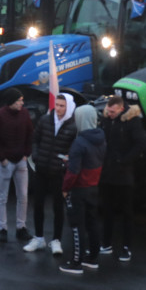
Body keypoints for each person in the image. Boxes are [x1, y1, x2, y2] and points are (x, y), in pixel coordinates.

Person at [24, 93, 77, 255]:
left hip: (58, 172)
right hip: (41, 169)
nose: (59, 109)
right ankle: (39, 238)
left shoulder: (73, 126)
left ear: (68, 107)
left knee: (57, 207)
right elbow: (35, 139)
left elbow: (73, 150)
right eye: (57, 105)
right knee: (38, 204)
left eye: (62, 106)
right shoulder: (45, 120)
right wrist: (37, 156)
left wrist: (64, 163)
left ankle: (56, 240)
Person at [59, 105, 106, 275]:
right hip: (93, 186)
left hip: (78, 189)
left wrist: (65, 188)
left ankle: (76, 262)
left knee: (76, 225)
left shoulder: (79, 142)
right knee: (92, 222)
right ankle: (92, 258)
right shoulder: (101, 138)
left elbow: (73, 171)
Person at [98, 95, 146, 261]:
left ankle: (126, 247)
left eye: (112, 111)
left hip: (124, 173)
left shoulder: (132, 121)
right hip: (107, 172)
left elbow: (140, 144)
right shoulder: (107, 120)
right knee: (107, 209)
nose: (109, 114)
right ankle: (106, 243)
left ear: (120, 108)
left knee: (126, 212)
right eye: (108, 111)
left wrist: (124, 160)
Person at [0, 88, 34, 244]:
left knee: (23, 196)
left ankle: (21, 227)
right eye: (19, 100)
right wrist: (2, 158)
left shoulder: (25, 114)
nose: (22, 102)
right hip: (5, 162)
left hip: (21, 160)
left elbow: (30, 134)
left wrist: (26, 153)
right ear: (11, 102)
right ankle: (3, 228)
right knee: (2, 196)